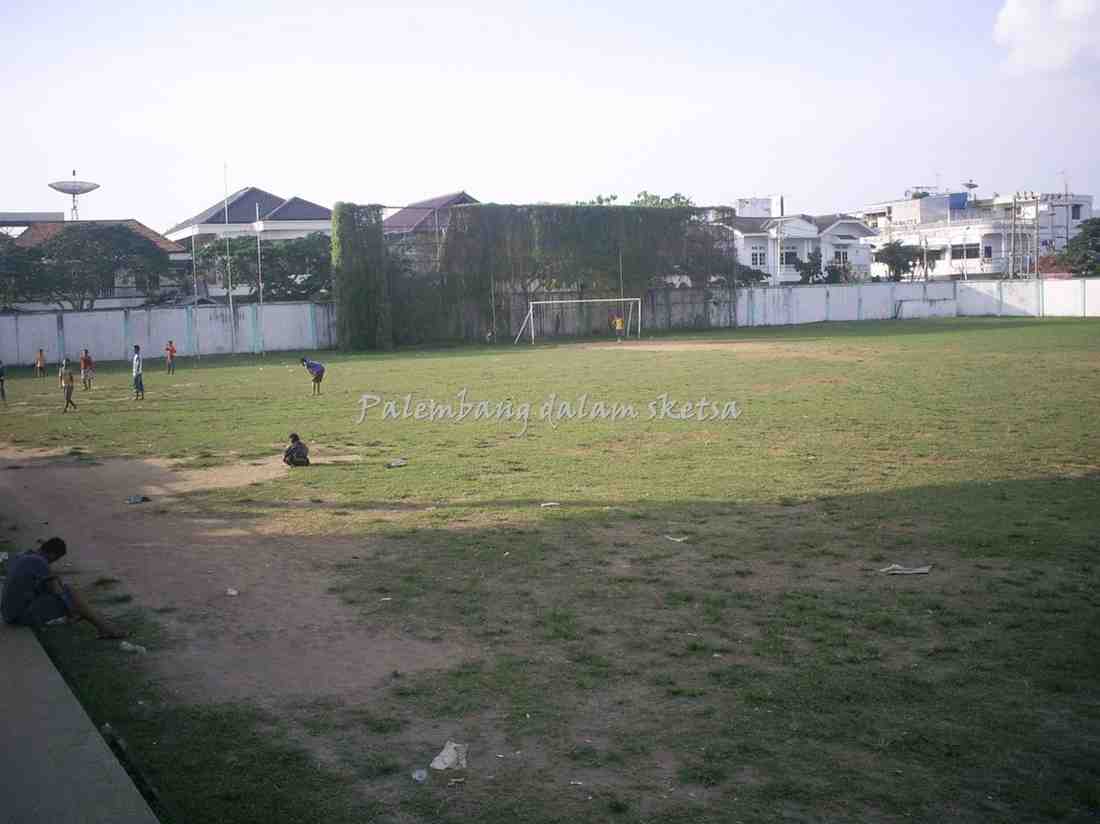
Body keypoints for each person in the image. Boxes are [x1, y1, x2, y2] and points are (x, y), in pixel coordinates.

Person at [2, 538, 126, 639]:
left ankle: (103, 625)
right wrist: (72, 610)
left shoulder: (26, 555)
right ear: (52, 554)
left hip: (11, 613)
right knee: (71, 594)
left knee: (71, 594)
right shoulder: (39, 561)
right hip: (18, 616)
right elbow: (57, 591)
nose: (52, 563)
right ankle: (106, 627)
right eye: (55, 559)